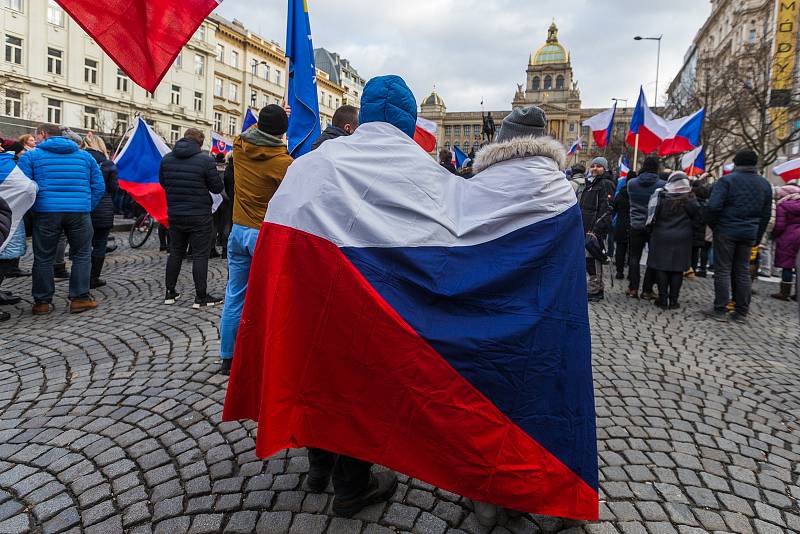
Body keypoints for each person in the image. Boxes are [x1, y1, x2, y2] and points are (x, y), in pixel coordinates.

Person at [219, 104, 293, 373]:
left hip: (238, 230)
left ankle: (228, 355)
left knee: (235, 294)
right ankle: (267, 354)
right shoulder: (283, 164)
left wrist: (271, 117)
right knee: (271, 298)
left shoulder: (239, 147)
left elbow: (250, 130)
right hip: (264, 234)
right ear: (282, 133)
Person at [17, 123, 104, 315]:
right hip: (79, 211)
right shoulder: (85, 156)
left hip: (46, 212)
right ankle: (80, 298)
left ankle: (42, 302)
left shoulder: (31, 156)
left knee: (43, 257)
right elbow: (98, 186)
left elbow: (23, 187)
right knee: (81, 254)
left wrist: (35, 208)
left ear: (42, 134)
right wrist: (87, 205)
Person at [159, 128, 224, 308]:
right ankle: (200, 297)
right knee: (200, 255)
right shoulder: (205, 160)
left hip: (175, 213)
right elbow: (217, 188)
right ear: (200, 142)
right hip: (199, 214)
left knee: (176, 252)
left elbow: (163, 183)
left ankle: (169, 292)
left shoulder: (167, 159)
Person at [706, 149, 772, 322]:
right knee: (742, 271)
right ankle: (741, 311)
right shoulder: (764, 184)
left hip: (726, 229)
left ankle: (720, 309)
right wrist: (757, 234)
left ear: (736, 163)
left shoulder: (726, 181)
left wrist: (716, 226)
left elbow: (712, 207)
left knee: (723, 270)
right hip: (749, 232)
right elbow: (766, 214)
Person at [646, 172, 701, 309]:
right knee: (677, 269)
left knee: (661, 268)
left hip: (661, 236)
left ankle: (663, 299)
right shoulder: (690, 199)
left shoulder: (661, 196)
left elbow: (652, 216)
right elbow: (698, 218)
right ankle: (674, 300)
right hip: (682, 238)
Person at [626, 156, 665, 299]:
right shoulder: (662, 185)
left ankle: (633, 288)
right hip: (653, 226)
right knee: (652, 258)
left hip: (635, 224)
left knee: (634, 257)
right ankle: (647, 290)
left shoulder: (631, 183)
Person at [578, 156, 615, 302]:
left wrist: (596, 230)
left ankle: (595, 289)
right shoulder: (591, 183)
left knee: (592, 260)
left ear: (604, 169)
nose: (595, 169)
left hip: (594, 229)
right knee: (589, 260)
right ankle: (595, 288)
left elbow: (607, 209)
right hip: (586, 227)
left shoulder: (605, 183)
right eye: (593, 166)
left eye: (598, 166)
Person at [84, 133, 118, 289]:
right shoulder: (108, 164)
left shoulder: (80, 161)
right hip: (103, 208)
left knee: (82, 245)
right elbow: (113, 188)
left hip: (83, 206)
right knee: (99, 244)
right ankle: (93, 277)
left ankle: (81, 276)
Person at [770, 184, 800, 301]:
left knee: (787, 265)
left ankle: (784, 292)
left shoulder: (784, 205)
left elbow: (779, 225)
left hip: (789, 235)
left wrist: (775, 235)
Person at [612, 171, 634, 280]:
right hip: (633, 224)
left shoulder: (620, 193)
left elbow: (614, 208)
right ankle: (631, 273)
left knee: (620, 249)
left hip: (621, 223)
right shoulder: (636, 193)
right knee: (632, 251)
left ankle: (619, 272)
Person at [691, 176, 713, 277]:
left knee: (692, 250)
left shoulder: (693, 203)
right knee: (700, 251)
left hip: (694, 230)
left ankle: (690, 268)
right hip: (704, 231)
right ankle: (697, 268)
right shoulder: (708, 205)